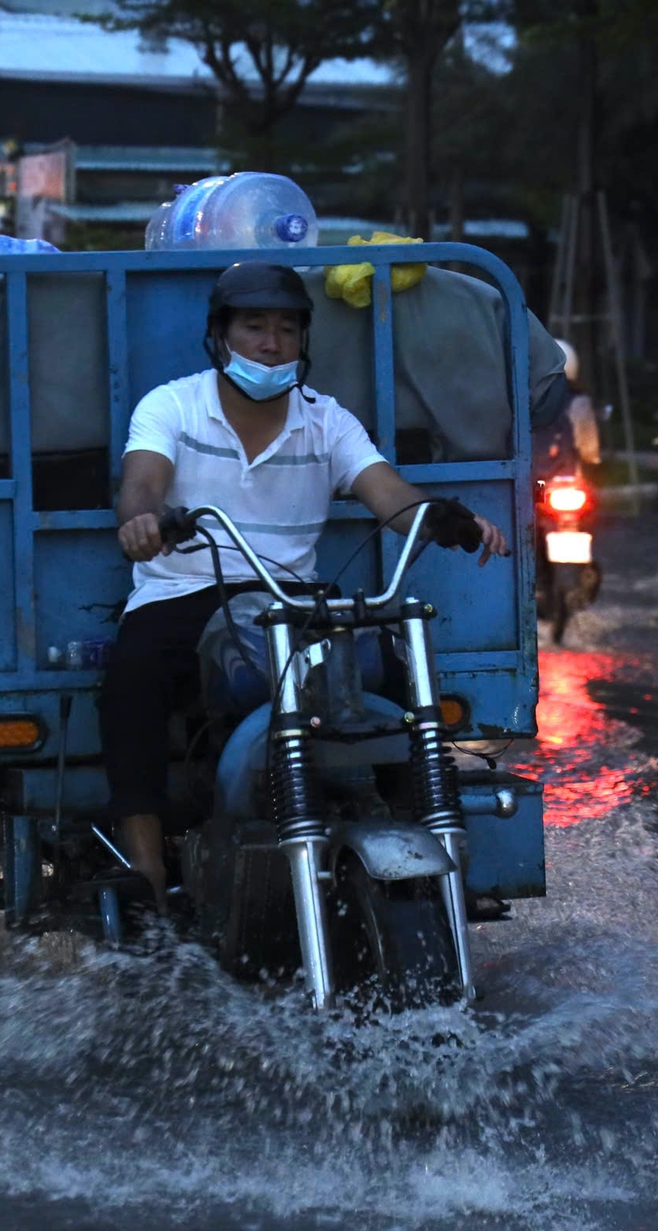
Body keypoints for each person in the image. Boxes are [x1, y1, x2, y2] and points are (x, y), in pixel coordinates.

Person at [104, 262, 511, 901]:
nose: (272, 343)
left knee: (398, 680)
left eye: (287, 329)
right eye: (255, 327)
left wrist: (447, 520)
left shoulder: (327, 420)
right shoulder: (172, 405)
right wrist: (142, 523)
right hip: (181, 591)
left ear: (304, 341)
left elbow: (390, 496)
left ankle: (422, 848)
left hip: (286, 599)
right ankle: (146, 866)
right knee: (132, 678)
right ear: (220, 336)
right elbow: (141, 485)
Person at [535, 338, 601, 477]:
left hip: (529, 479)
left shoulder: (523, 400)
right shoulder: (578, 401)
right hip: (565, 479)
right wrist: (592, 459)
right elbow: (589, 448)